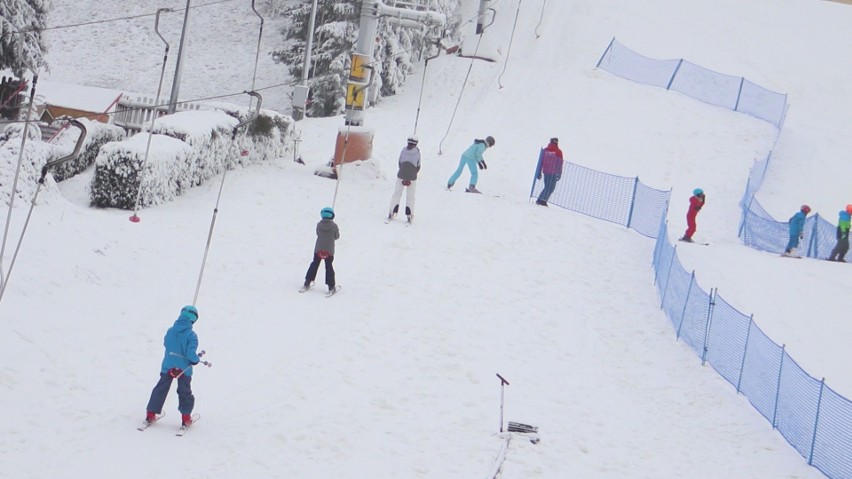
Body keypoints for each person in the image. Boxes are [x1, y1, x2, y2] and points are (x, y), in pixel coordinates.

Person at [145, 305, 202, 427]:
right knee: (184, 391)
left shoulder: (170, 331)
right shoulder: (192, 335)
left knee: (161, 388)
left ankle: (150, 414)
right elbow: (190, 354)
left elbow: (166, 343)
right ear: (193, 320)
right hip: (184, 369)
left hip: (168, 366)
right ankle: (186, 418)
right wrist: (195, 360)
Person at [304, 207, 340, 293]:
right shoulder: (334, 226)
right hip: (329, 250)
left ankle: (307, 282)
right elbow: (336, 236)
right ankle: (331, 286)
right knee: (329, 267)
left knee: (314, 264)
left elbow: (317, 233)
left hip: (318, 249)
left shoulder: (319, 224)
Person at [388, 136, 421, 223]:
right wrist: (413, 173)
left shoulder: (403, 151)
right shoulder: (417, 153)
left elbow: (400, 162)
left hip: (401, 174)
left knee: (397, 194)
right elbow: (418, 165)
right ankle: (409, 215)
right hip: (412, 176)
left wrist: (403, 171)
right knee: (410, 196)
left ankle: (392, 212)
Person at [534, 137, 564, 206]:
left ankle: (542, 200)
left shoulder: (545, 150)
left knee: (547, 187)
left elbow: (541, 162)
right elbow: (560, 163)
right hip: (553, 172)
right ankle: (541, 201)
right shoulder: (558, 151)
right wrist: (559, 173)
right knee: (550, 188)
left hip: (546, 172)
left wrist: (539, 171)